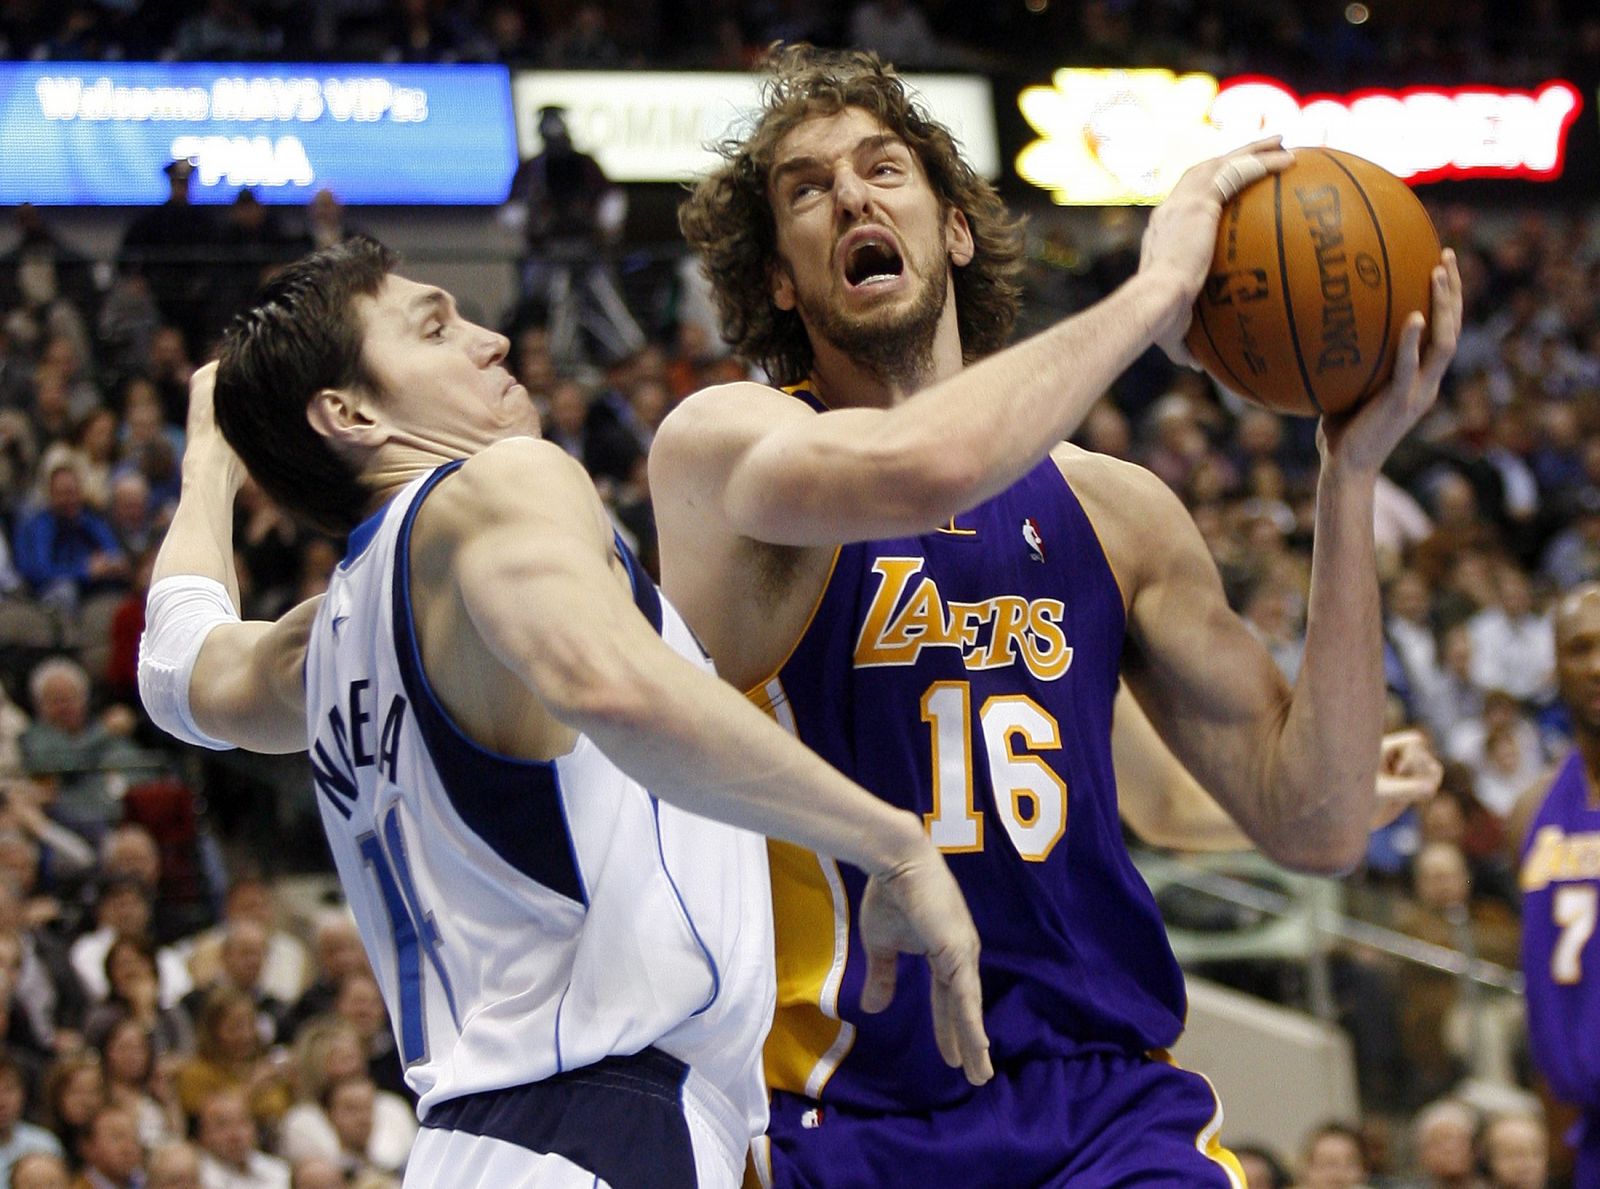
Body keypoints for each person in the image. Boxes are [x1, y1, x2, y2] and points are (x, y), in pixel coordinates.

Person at [662, 45, 1459, 1186]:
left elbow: (1319, 824)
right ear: (779, 280)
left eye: (884, 169)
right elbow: (925, 464)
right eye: (805, 188)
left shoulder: (1115, 510)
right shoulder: (726, 452)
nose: (849, 196)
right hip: (837, 1106)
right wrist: (1150, 293)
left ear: (954, 231)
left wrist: (1349, 473)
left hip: (1099, 1098)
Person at [136, 243, 990, 1186]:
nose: (491, 337)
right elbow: (612, 688)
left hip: (477, 1144)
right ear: (351, 412)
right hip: (596, 1129)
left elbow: (174, 662)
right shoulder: (498, 486)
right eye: (436, 327)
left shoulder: (329, 636)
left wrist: (211, 455)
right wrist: (889, 840)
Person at [1509, 582, 1600, 1185]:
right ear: (1555, 664)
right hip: (1584, 1131)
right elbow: (1541, 981)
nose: (1597, 666)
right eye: (1580, 648)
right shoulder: (1533, 808)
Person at [502, 105, 645, 367]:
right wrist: (536, 220)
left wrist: (601, 224)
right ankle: (553, 360)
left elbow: (612, 200)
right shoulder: (532, 169)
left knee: (608, 304)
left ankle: (628, 356)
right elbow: (511, 214)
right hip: (547, 257)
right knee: (545, 304)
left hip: (587, 252)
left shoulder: (585, 164)